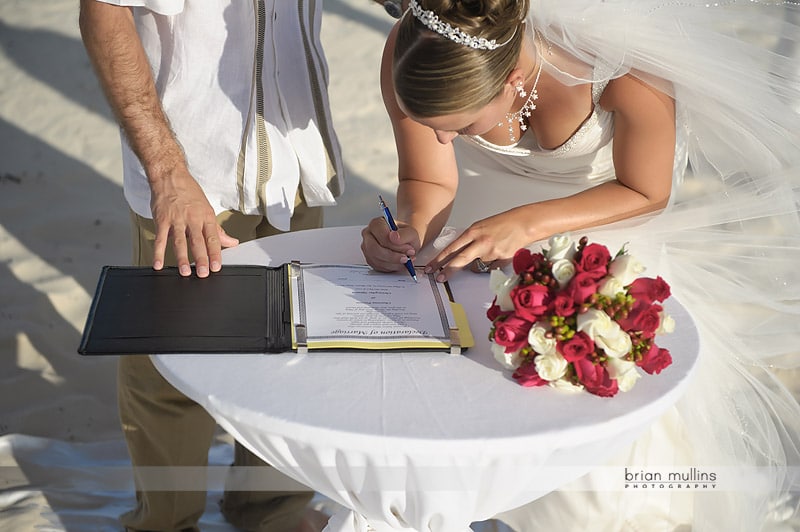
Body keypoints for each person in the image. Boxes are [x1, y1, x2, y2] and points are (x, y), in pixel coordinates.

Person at [362, 0, 800, 529]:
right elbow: (429, 181)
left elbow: (646, 189)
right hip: (478, 256)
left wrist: (528, 223)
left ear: (512, 81)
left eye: (460, 126)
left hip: (598, 256)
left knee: (587, 480)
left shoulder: (623, 68)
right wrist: (411, 229)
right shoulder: (417, 55)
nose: (444, 141)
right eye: (431, 126)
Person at [79, 1, 344, 530]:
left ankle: (269, 509)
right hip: (193, 175)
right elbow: (103, 12)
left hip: (297, 158)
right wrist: (168, 174)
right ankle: (165, 523)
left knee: (289, 354)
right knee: (171, 375)